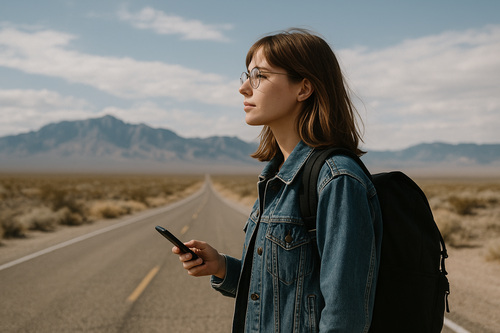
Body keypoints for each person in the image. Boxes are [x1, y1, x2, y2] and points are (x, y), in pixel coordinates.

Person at [173, 28, 383, 332]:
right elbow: (283, 295)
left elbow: (344, 317)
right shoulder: (275, 176)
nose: (244, 88)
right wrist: (221, 266)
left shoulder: (337, 179)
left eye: (259, 76)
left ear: (304, 88)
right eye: (246, 75)